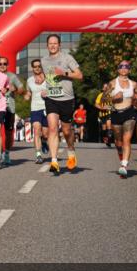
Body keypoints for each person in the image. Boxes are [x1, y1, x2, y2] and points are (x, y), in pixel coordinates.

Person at [40, 34, 83, 175]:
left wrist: (64, 73)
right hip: (51, 99)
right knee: (52, 129)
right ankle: (54, 161)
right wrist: (44, 88)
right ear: (47, 46)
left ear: (59, 45)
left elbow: (79, 75)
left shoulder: (67, 58)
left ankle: (71, 151)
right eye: (50, 43)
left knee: (66, 131)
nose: (52, 45)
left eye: (55, 43)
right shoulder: (44, 61)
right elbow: (46, 77)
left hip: (67, 99)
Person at [108, 61, 137, 178]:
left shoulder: (134, 84)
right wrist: (114, 98)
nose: (124, 68)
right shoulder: (112, 83)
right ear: (118, 69)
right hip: (116, 114)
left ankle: (124, 165)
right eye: (121, 66)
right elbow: (103, 100)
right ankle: (122, 158)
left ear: (129, 70)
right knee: (118, 143)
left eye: (127, 67)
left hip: (129, 113)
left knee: (127, 139)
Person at [0, 57, 24, 166]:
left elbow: (22, 89)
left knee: (8, 133)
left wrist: (16, 89)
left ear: (7, 65)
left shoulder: (12, 76)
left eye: (5, 63)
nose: (2, 65)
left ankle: (7, 153)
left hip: (10, 108)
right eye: (0, 64)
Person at [24, 58, 48, 163]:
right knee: (37, 129)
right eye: (35, 67)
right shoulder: (29, 80)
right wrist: (27, 96)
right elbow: (28, 92)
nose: (37, 68)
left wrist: (47, 93)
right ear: (32, 68)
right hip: (35, 108)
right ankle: (38, 155)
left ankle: (44, 141)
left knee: (46, 134)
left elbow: (54, 89)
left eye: (39, 66)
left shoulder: (48, 78)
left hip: (47, 108)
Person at [95, 82, 114, 147]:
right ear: (103, 88)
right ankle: (105, 138)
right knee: (104, 129)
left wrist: (111, 107)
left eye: (107, 87)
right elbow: (96, 104)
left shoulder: (111, 95)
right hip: (102, 114)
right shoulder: (100, 95)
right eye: (105, 87)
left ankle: (109, 140)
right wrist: (102, 108)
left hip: (109, 113)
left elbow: (115, 103)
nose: (106, 88)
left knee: (109, 128)